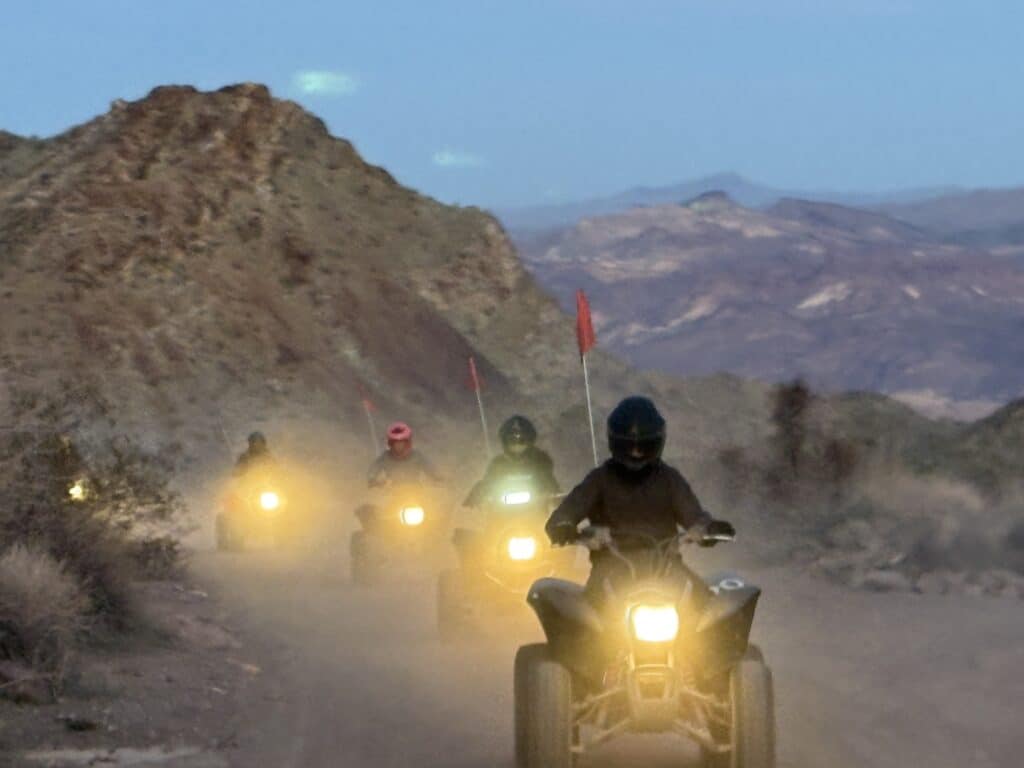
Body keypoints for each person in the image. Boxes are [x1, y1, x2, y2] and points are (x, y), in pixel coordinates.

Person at [544, 396, 733, 604]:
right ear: (615, 443)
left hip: (666, 566)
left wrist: (708, 528)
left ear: (658, 443)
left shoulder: (669, 479)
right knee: (583, 622)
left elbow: (694, 515)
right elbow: (567, 512)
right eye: (628, 446)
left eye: (645, 445)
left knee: (707, 608)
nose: (636, 452)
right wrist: (564, 527)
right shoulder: (599, 479)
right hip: (610, 568)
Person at [463, 415, 559, 510]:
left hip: (536, 515)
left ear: (530, 442)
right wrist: (476, 495)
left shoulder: (540, 462)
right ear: (505, 442)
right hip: (500, 518)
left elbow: (551, 484)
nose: (517, 445)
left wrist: (557, 499)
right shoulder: (497, 464)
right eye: (512, 441)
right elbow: (488, 482)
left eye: (522, 441)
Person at [367, 422, 444, 488]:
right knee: (380, 504)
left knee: (432, 504)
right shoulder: (385, 457)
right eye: (395, 444)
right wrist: (373, 480)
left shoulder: (416, 455)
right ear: (390, 444)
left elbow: (429, 466)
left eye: (402, 443)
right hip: (393, 493)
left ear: (408, 443)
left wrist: (437, 477)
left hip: (416, 493)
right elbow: (374, 468)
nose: (398, 446)